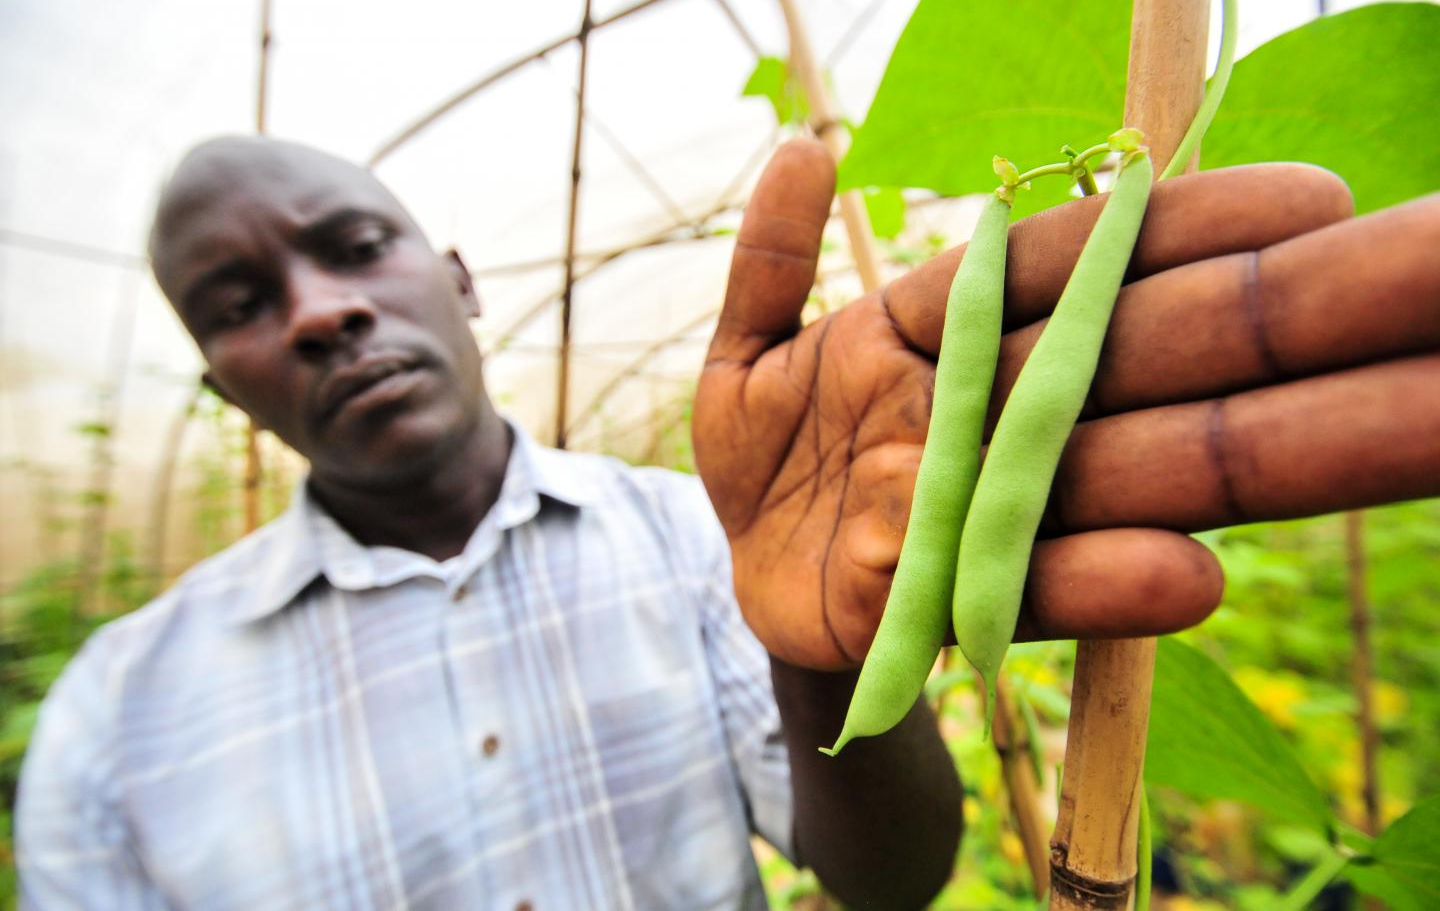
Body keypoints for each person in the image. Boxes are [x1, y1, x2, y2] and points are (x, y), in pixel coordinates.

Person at [14, 134, 1439, 910]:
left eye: (353, 248)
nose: (320, 312)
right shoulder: (112, 722)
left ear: (455, 277)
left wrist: (818, 661)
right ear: (219, 383)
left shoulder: (691, 538)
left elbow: (891, 885)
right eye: (241, 305)